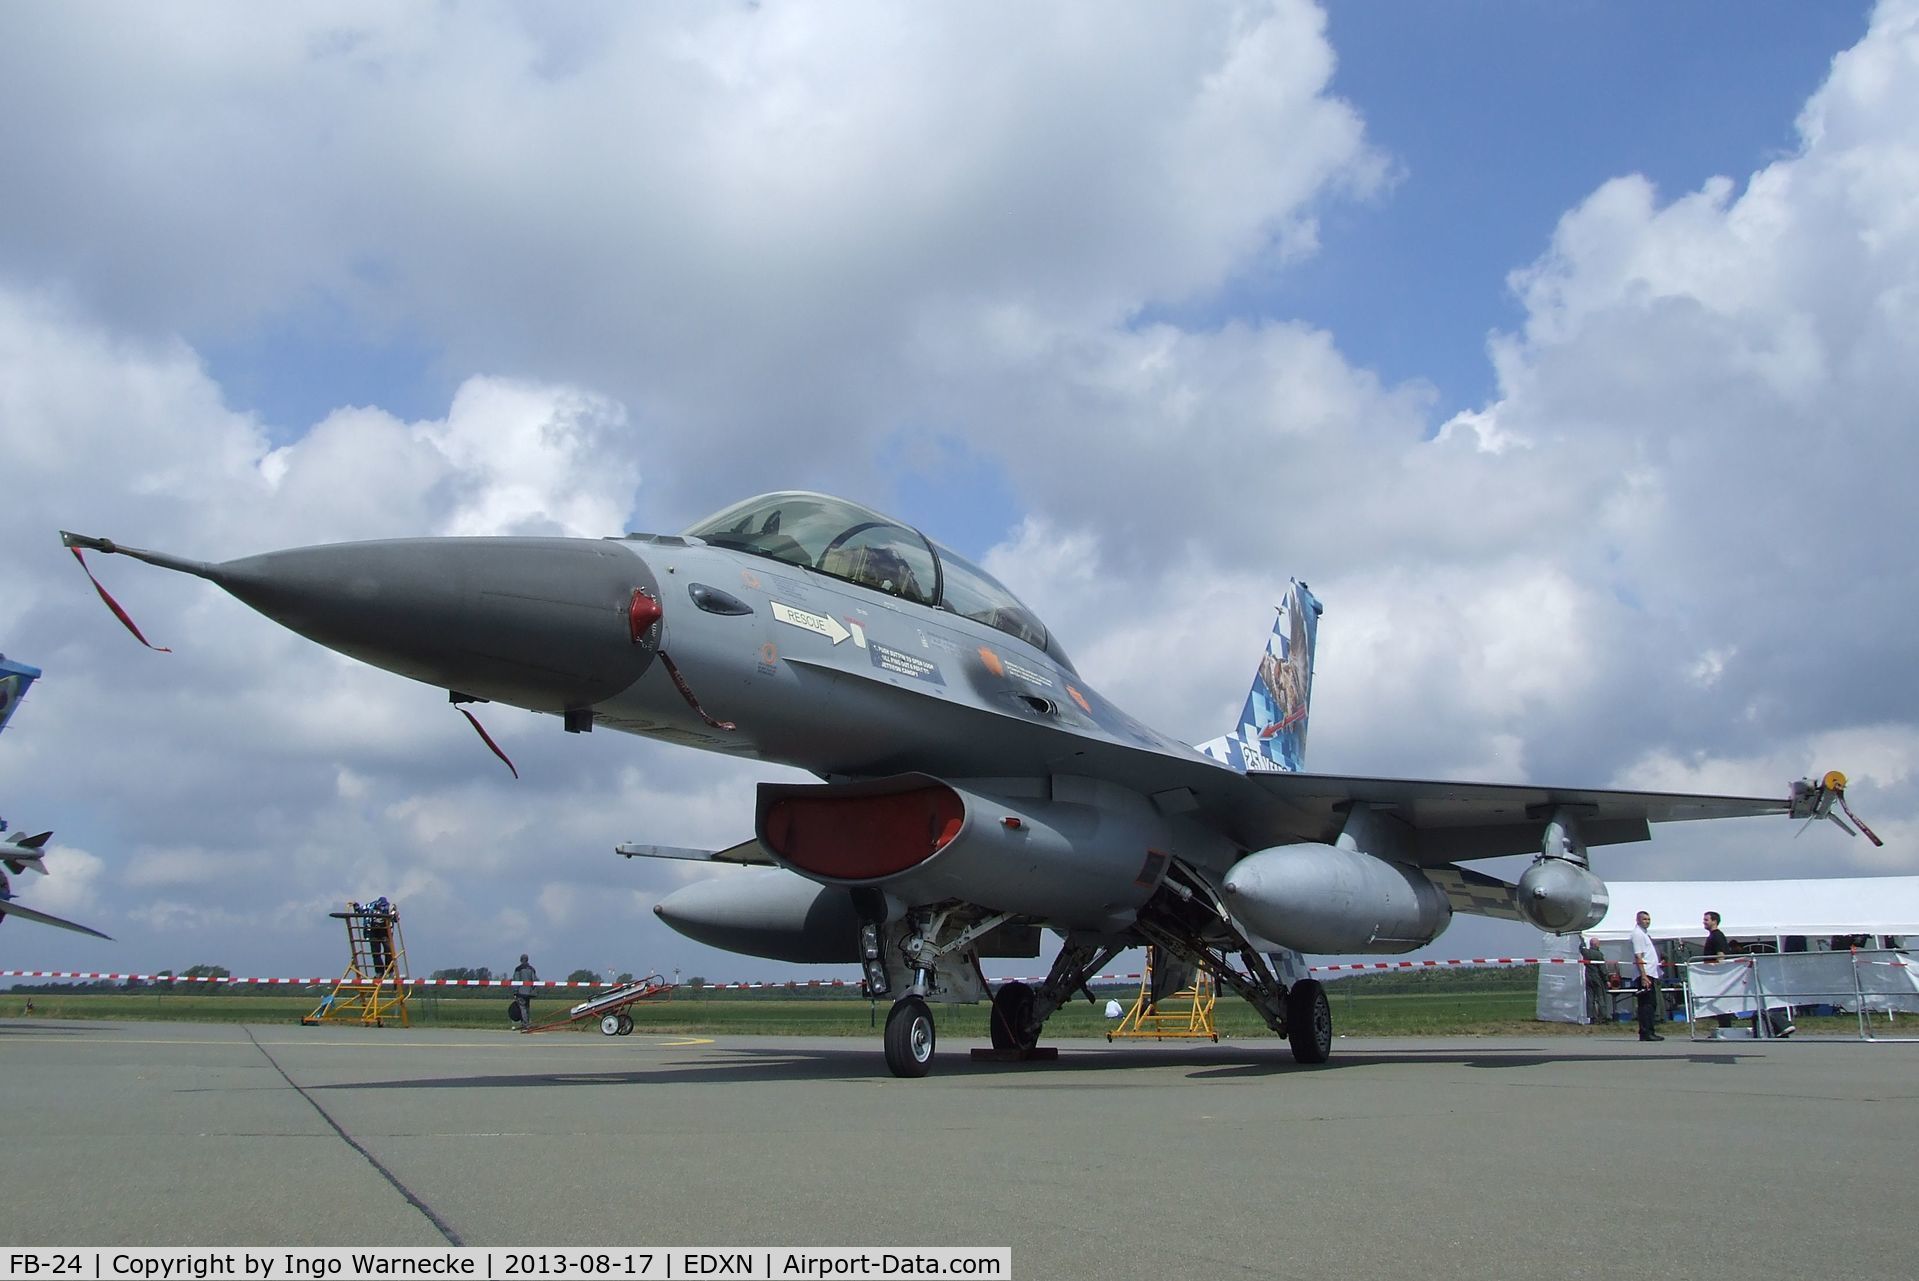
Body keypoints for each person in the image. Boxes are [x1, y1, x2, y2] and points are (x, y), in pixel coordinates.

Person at [1630, 910, 1664, 1042]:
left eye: (1648, 919)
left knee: (1651, 1004)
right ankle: (1645, 1032)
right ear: (1638, 920)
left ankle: (1650, 1030)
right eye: (1644, 919)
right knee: (1646, 1005)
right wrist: (1643, 975)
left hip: (1651, 972)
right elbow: (1638, 956)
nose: (1647, 921)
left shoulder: (1644, 934)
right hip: (1645, 974)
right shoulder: (1637, 934)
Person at [1701, 910, 1735, 1030]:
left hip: (1718, 975)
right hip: (1713, 974)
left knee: (1721, 1001)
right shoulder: (1712, 935)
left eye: (1706, 920)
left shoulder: (1717, 936)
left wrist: (1719, 970)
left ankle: (1726, 1026)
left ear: (1714, 921)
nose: (1703, 922)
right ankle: (1723, 1025)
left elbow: (1721, 954)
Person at [1579, 935, 1610, 1025]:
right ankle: (1603, 1017)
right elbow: (1602, 968)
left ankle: (1592, 1018)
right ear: (1597, 945)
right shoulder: (1599, 954)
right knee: (1601, 997)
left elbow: (1581, 948)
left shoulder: (1586, 953)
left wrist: (1581, 940)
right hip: (1597, 977)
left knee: (1590, 998)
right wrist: (1606, 979)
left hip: (1588, 976)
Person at [511, 953, 538, 1029]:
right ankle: (527, 1023)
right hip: (529, 992)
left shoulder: (518, 969)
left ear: (521, 960)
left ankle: (525, 1024)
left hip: (521, 992)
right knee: (527, 1008)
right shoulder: (532, 969)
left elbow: (516, 981)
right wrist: (532, 989)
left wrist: (515, 992)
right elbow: (534, 980)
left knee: (522, 1008)